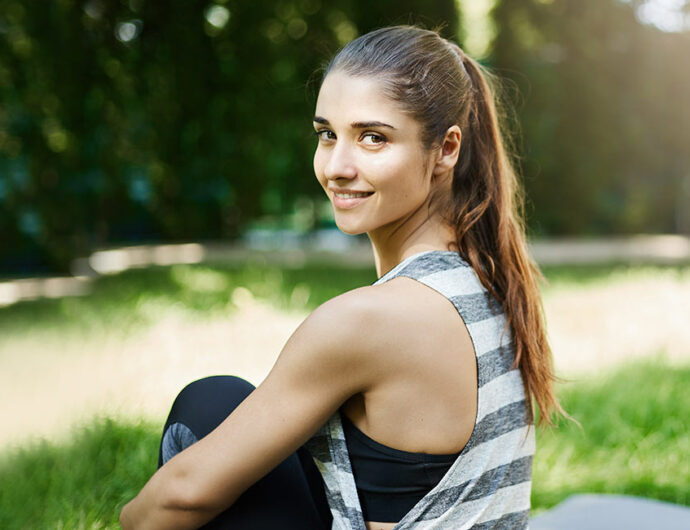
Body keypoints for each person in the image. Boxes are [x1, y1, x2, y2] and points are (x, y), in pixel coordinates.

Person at [120, 25, 560, 529]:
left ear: (446, 149)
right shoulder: (488, 279)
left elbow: (184, 497)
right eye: (328, 134)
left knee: (205, 407)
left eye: (373, 138)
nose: (337, 166)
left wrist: (124, 519)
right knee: (223, 404)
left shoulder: (370, 320)